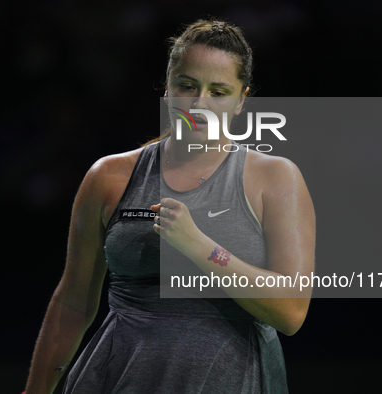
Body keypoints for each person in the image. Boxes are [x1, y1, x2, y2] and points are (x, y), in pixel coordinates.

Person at [24, 19, 315, 394]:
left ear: (241, 99)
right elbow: (74, 303)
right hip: (116, 379)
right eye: (187, 86)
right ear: (167, 88)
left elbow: (291, 311)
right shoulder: (108, 177)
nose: (199, 104)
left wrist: (199, 247)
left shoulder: (276, 179)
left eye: (219, 91)